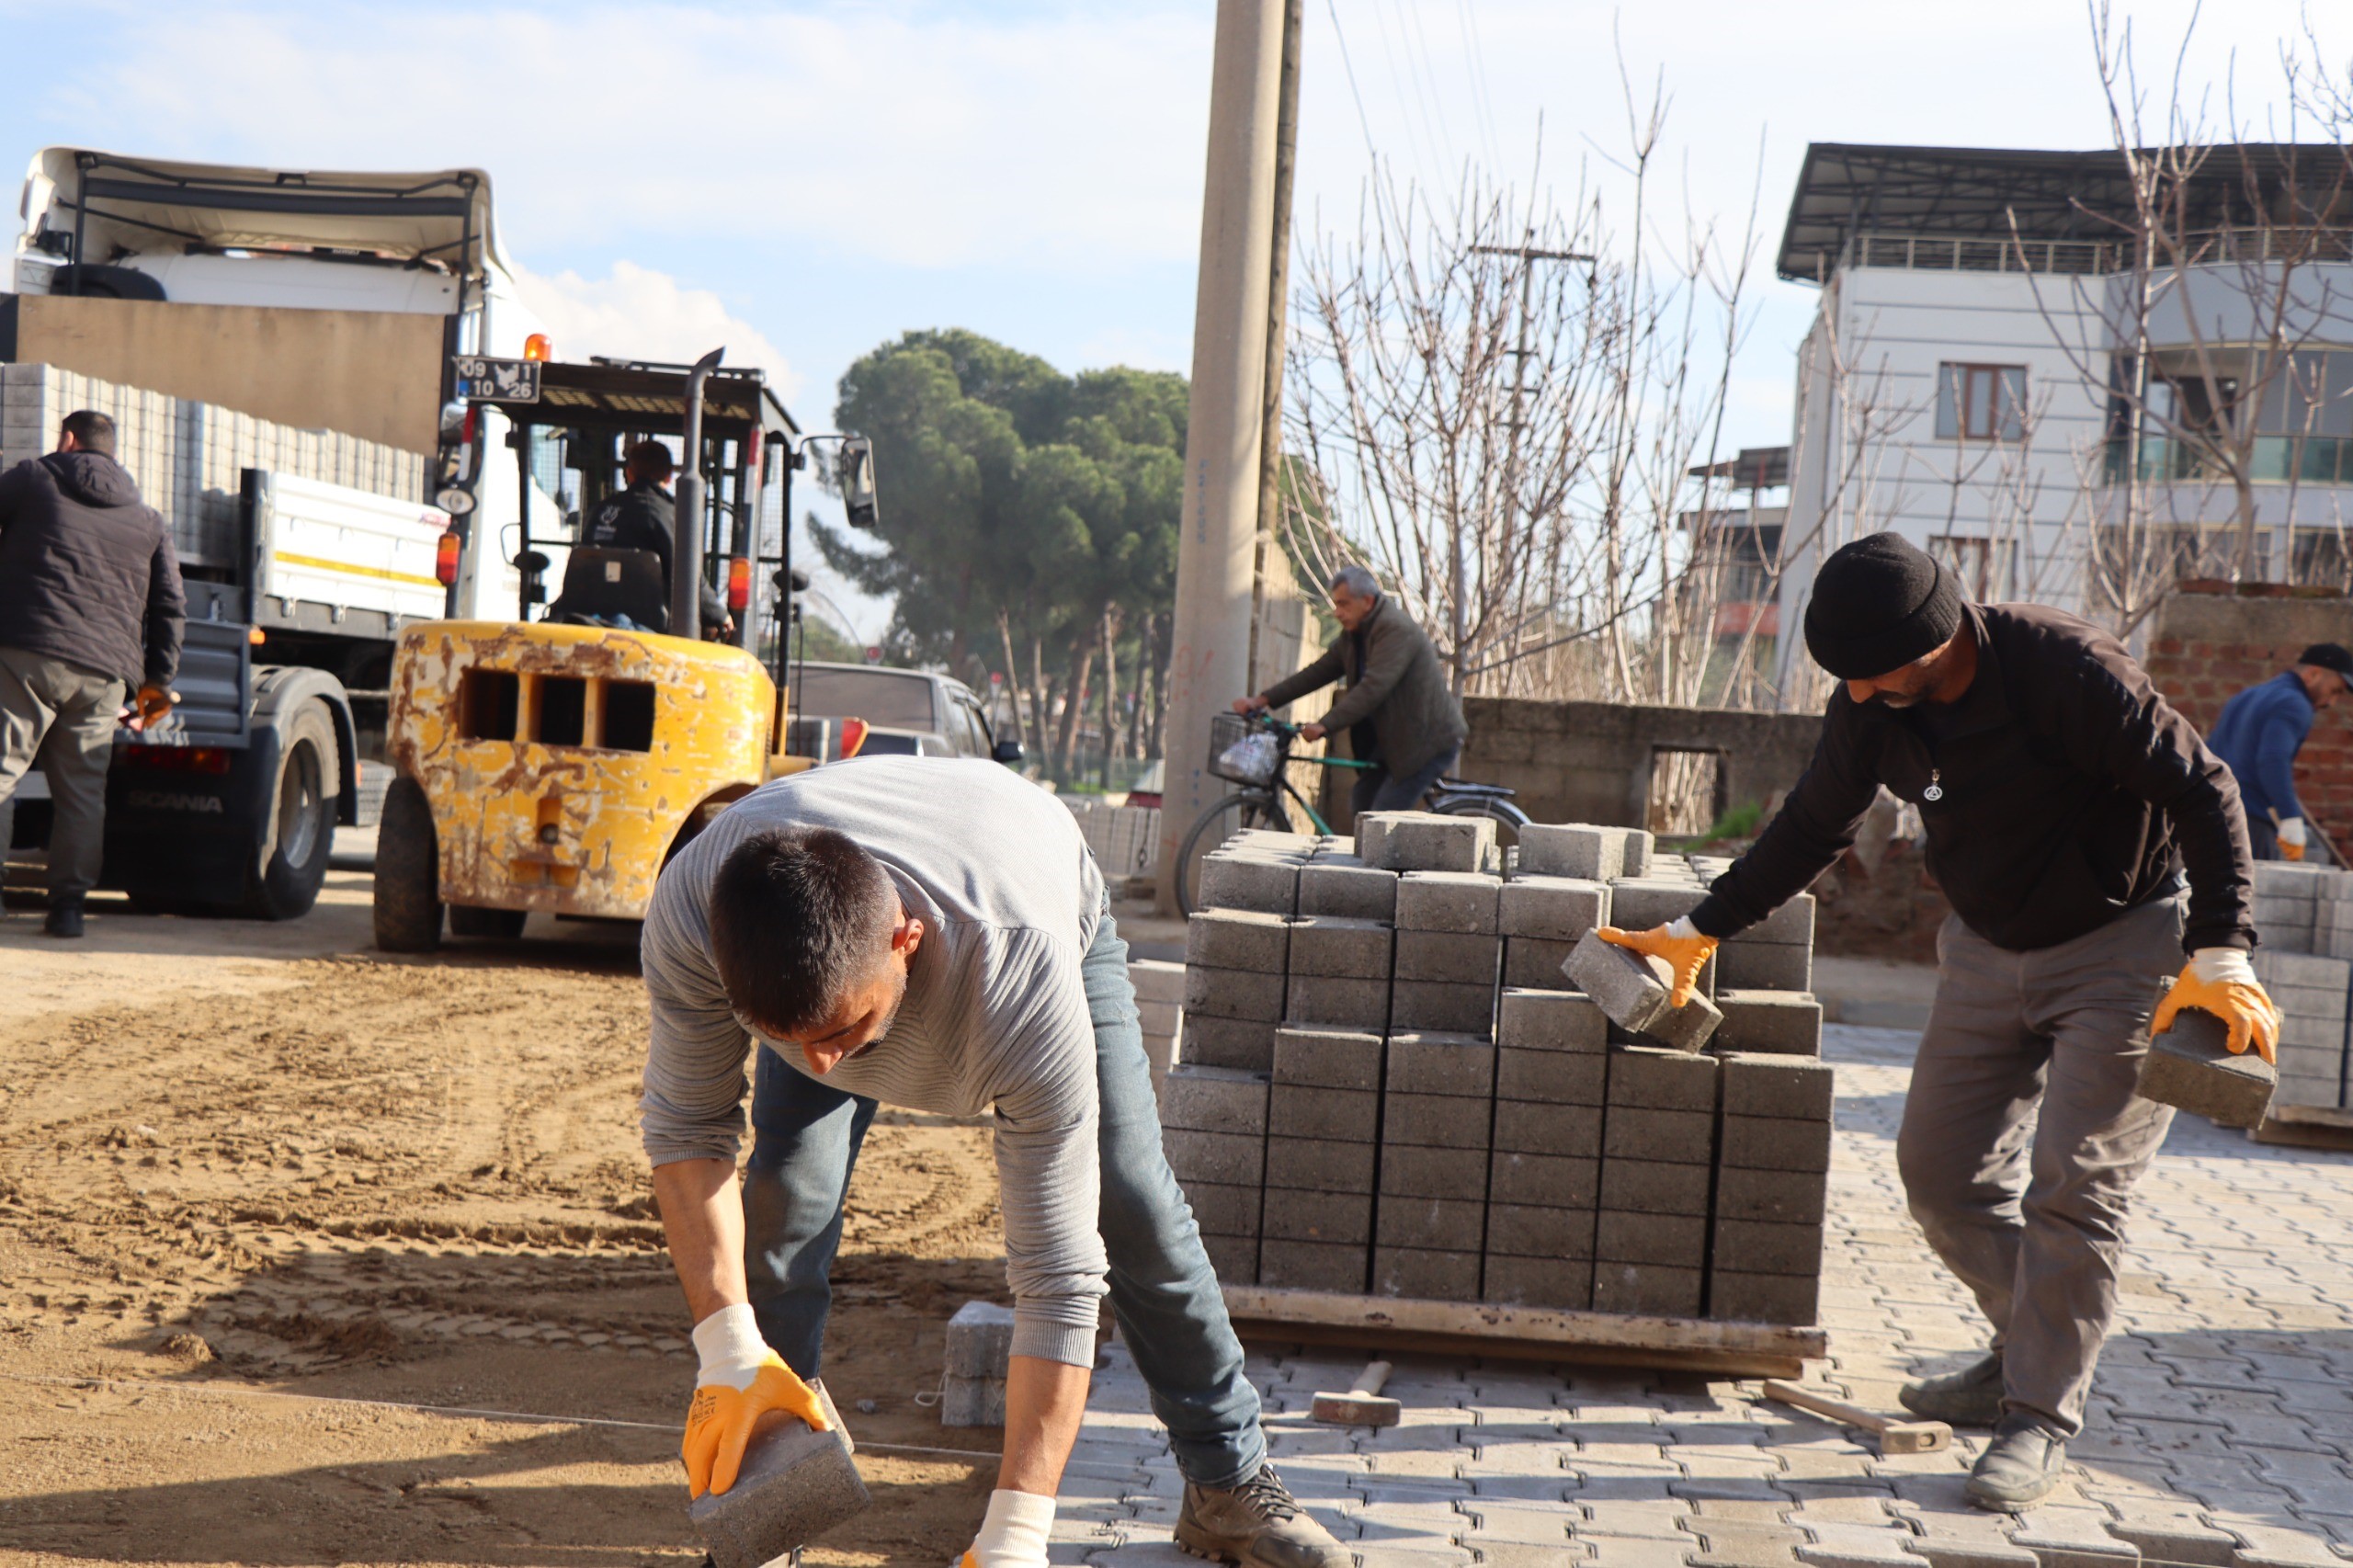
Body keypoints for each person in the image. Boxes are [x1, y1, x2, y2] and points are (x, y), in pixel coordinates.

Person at [1598, 532, 2276, 1514]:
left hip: (2124, 948)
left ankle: (2038, 1415)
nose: (1863, 694)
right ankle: (2021, 1344)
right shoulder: (1869, 708)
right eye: (1849, 680)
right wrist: (1694, 928)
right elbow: (1809, 826)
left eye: (1877, 673)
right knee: (1938, 1172)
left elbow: (2201, 784)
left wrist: (2220, 948)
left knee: (2072, 1186)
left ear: (1938, 634)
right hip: (1984, 950)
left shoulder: (2063, 669)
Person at [638, 756, 1349, 1568]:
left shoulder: (1016, 979)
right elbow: (689, 1133)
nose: (819, 1065)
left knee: (1127, 1199)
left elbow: (1056, 1275)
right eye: (786, 1041)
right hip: (829, 935)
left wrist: (1017, 1539)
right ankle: (768, 1492)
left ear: (906, 942)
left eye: (839, 1035)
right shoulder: (697, 916)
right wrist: (727, 1352)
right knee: (782, 1208)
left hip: (1025, 890)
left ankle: (1228, 1480)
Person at [0, 411, 184, 938]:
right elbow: (171, 605)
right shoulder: (148, 519)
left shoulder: (36, 477)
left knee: (3, 771)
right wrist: (158, 682)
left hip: (27, 650)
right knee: (82, 793)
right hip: (105, 673)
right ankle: (68, 910)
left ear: (68, 440)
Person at [1235, 564, 1468, 813]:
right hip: (1392, 743)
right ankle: (1370, 853)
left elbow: (1373, 688)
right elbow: (1317, 673)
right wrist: (1263, 699)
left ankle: (1388, 853)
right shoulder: (1355, 635)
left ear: (1367, 601)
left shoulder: (1395, 630)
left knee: (1380, 819)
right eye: (1336, 604)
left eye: (1344, 604)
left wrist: (1325, 724)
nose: (1337, 612)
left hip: (1427, 741)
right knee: (1362, 807)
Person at [2204, 642, 2353, 861]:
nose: (2331, 702)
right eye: (2334, 691)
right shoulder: (2294, 704)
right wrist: (2290, 817)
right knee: (2246, 892)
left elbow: (2209, 752)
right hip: (2246, 824)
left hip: (2206, 815)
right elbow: (2273, 760)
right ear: (2313, 674)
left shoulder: (2245, 697)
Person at [581, 440, 732, 637]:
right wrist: (719, 615)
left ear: (629, 473)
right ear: (669, 476)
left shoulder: (601, 510)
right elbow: (686, 575)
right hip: (645, 624)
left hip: (587, 614)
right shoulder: (669, 514)